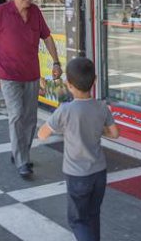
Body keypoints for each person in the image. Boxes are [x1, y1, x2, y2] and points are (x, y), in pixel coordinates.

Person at [0, 0, 62, 178]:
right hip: (8, 75)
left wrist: (56, 62)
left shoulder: (35, 12)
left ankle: (20, 151)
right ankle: (22, 161)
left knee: (30, 118)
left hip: (31, 74)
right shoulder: (1, 12)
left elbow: (47, 37)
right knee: (17, 114)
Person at [38, 57, 119, 241]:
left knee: (77, 220)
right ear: (95, 80)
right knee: (93, 215)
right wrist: (98, 128)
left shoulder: (65, 110)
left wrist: (62, 127)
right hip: (99, 172)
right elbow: (115, 133)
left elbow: (42, 134)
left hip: (76, 175)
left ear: (68, 84)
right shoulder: (101, 107)